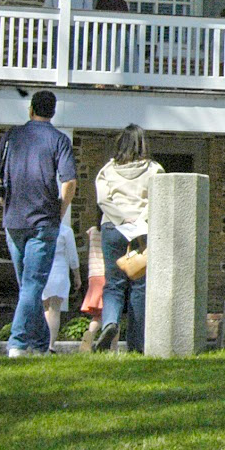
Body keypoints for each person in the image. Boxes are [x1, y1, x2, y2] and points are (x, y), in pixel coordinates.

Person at [0, 89, 77, 358]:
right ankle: (17, 344)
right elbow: (70, 182)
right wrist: (60, 211)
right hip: (43, 221)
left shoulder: (11, 136)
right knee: (32, 285)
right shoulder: (59, 140)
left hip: (13, 221)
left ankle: (40, 347)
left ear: (30, 109)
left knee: (29, 285)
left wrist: (6, 202)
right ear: (53, 112)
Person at [93, 124, 162, 353]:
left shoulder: (107, 170)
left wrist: (121, 220)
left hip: (112, 228)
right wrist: (138, 222)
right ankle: (136, 345)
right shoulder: (155, 170)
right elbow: (157, 200)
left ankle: (111, 322)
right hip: (142, 233)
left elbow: (103, 200)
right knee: (140, 286)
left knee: (113, 284)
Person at [41, 210, 80, 353]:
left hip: (44, 269)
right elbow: (72, 256)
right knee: (55, 309)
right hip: (59, 271)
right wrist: (77, 275)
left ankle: (43, 342)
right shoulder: (65, 231)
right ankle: (50, 344)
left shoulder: (42, 229)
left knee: (45, 307)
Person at [79, 223, 105, 351]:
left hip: (93, 274)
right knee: (111, 312)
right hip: (106, 273)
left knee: (99, 315)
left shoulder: (92, 231)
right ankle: (113, 346)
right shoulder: (111, 230)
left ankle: (88, 336)